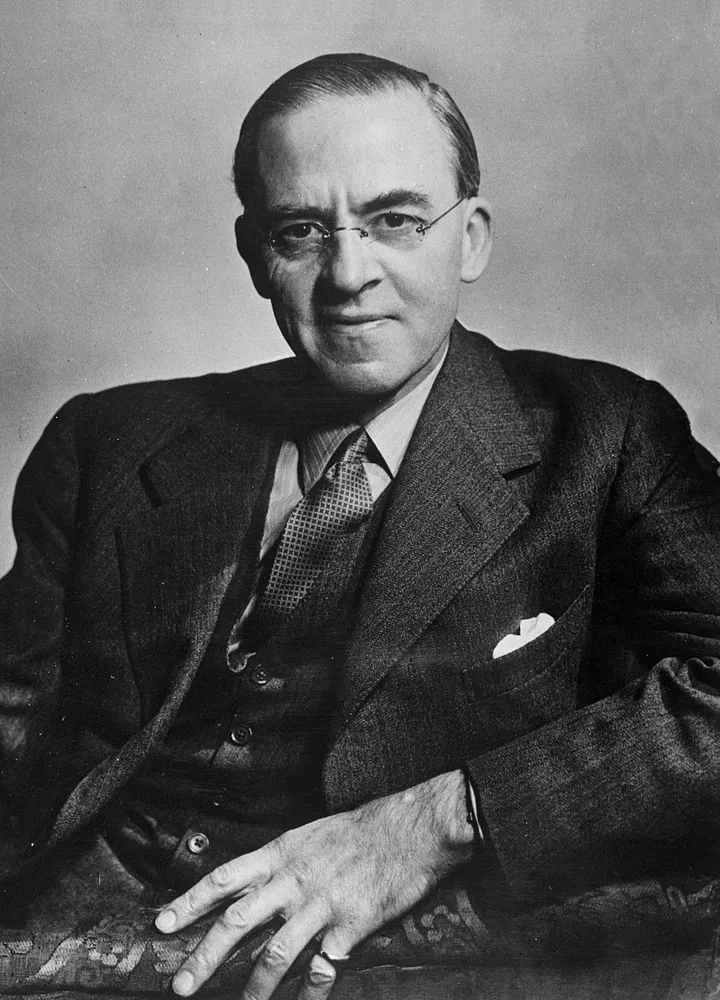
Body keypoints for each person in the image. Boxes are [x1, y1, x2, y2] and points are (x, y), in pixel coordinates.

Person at [1, 52, 719, 1000]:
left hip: (389, 961)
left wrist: (442, 818)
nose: (348, 274)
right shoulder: (109, 439)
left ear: (470, 240)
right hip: (68, 935)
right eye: (301, 230)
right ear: (254, 254)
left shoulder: (608, 435)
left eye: (396, 221)